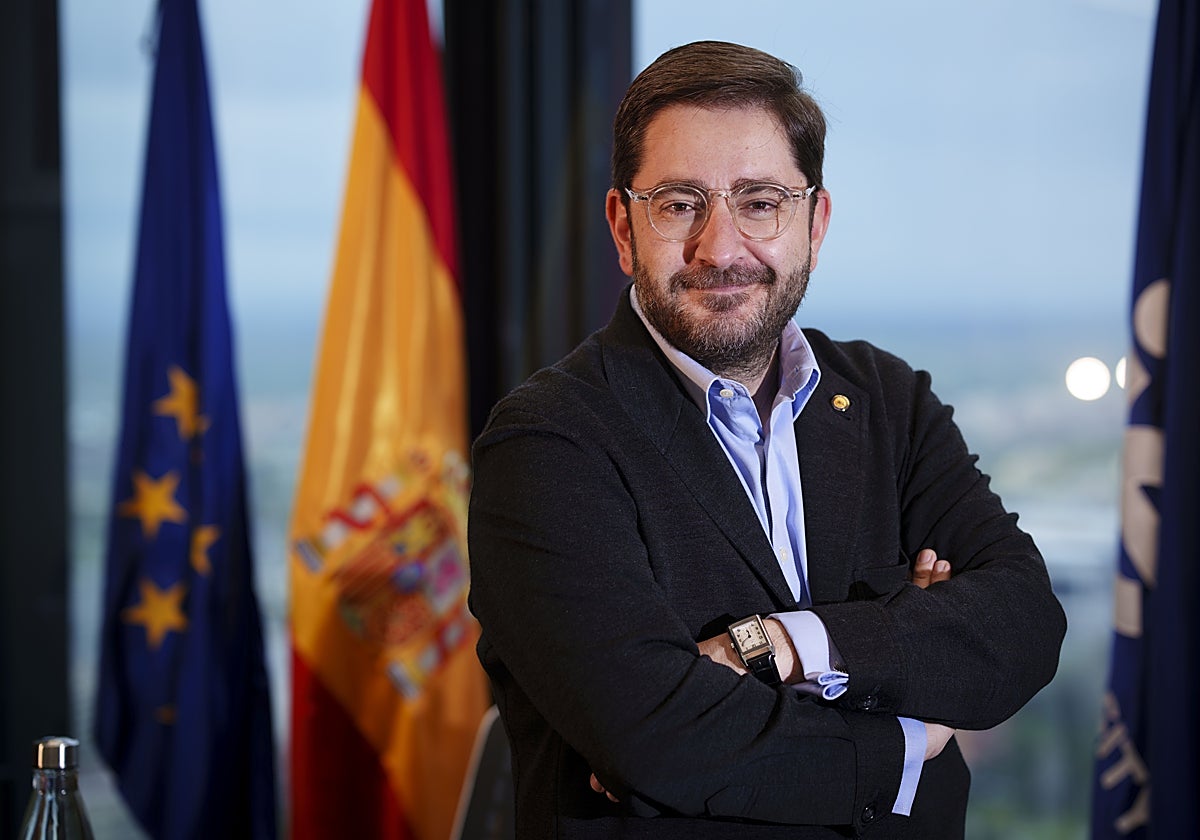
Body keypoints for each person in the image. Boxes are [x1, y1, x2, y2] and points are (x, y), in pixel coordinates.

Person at [467, 40, 1066, 839]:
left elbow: (1024, 624)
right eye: (679, 203)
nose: (720, 248)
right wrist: (909, 733)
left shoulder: (889, 401)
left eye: (759, 202)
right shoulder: (546, 444)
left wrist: (785, 644)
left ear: (814, 224)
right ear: (623, 227)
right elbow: (657, 740)